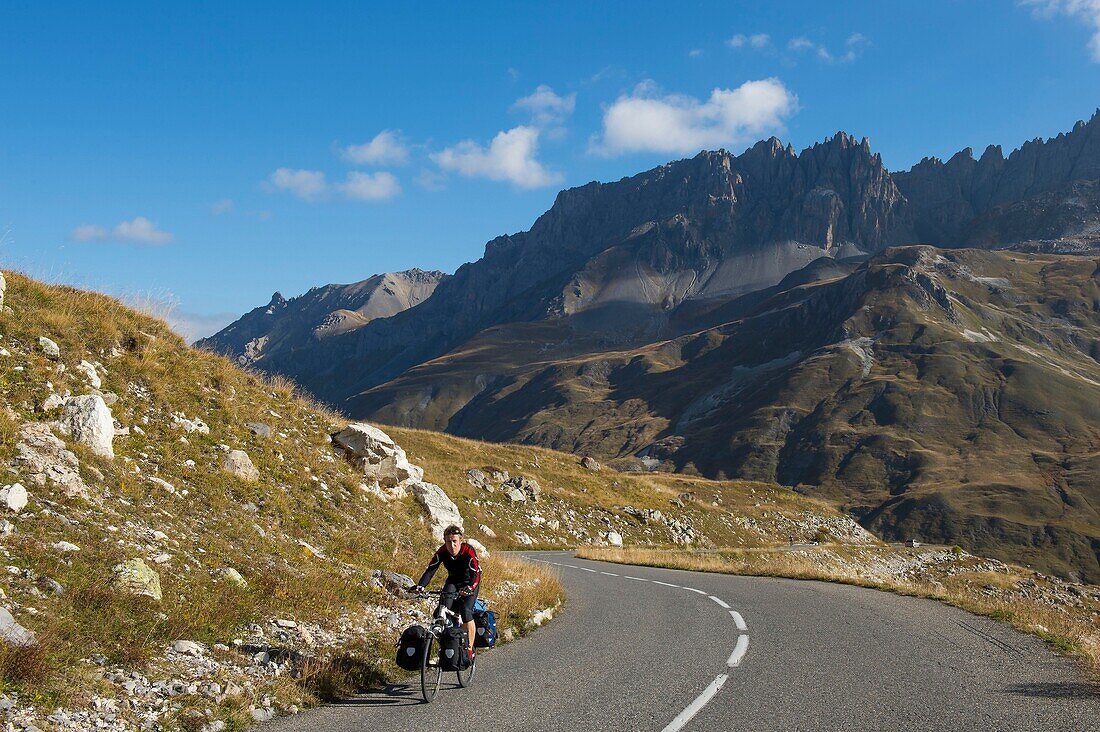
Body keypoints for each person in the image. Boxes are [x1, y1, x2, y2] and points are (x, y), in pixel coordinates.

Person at [412, 525, 482, 660]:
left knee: (466, 610)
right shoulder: (442, 551)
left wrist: (471, 588)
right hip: (453, 582)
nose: (452, 545)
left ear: (461, 540)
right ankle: (446, 644)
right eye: (448, 541)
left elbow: (476, 574)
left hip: (469, 582)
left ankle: (469, 650)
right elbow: (431, 569)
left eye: (455, 541)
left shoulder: (468, 551)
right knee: (441, 610)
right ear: (445, 541)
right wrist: (420, 586)